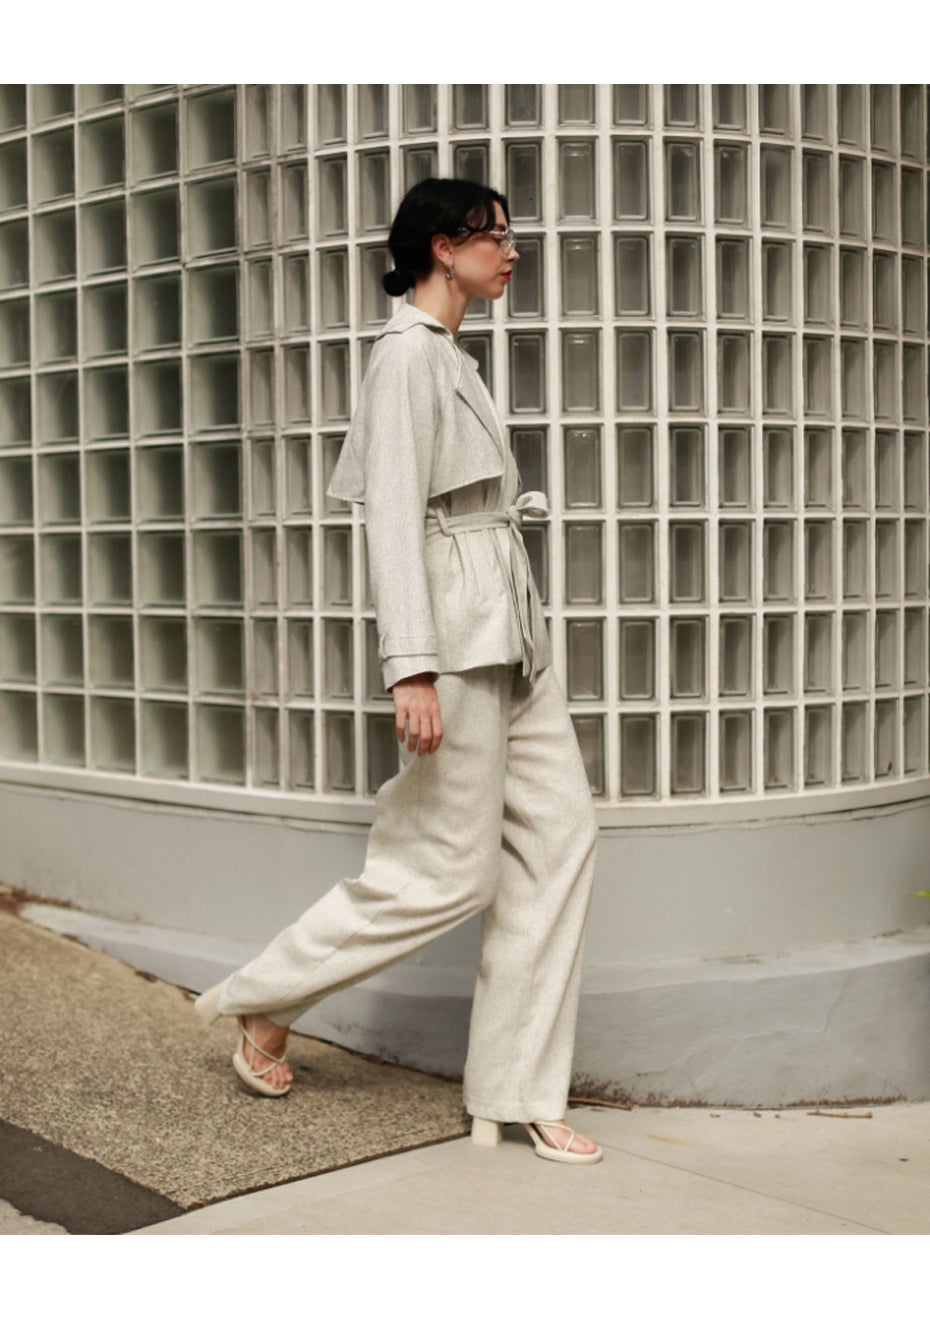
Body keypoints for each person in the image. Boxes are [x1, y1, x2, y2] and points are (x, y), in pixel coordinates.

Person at [195, 177, 601, 1165]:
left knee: (562, 840)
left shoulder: (451, 355)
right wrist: (409, 668)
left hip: (511, 631)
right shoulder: (406, 357)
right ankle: (266, 1000)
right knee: (451, 869)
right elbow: (391, 519)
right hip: (455, 639)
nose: (511, 250)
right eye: (492, 236)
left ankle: (518, 1090)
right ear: (440, 248)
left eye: (509, 235)